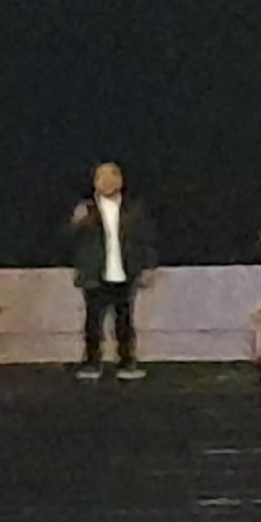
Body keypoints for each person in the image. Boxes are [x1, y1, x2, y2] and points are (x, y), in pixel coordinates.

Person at [67, 162, 153, 378]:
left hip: (124, 272)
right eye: (101, 177)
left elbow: (144, 239)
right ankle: (92, 362)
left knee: (124, 320)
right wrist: (77, 222)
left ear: (121, 181)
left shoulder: (133, 209)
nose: (107, 181)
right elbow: (69, 239)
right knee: (93, 321)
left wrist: (145, 267)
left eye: (112, 176)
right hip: (95, 273)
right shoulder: (86, 209)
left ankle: (126, 362)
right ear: (95, 182)